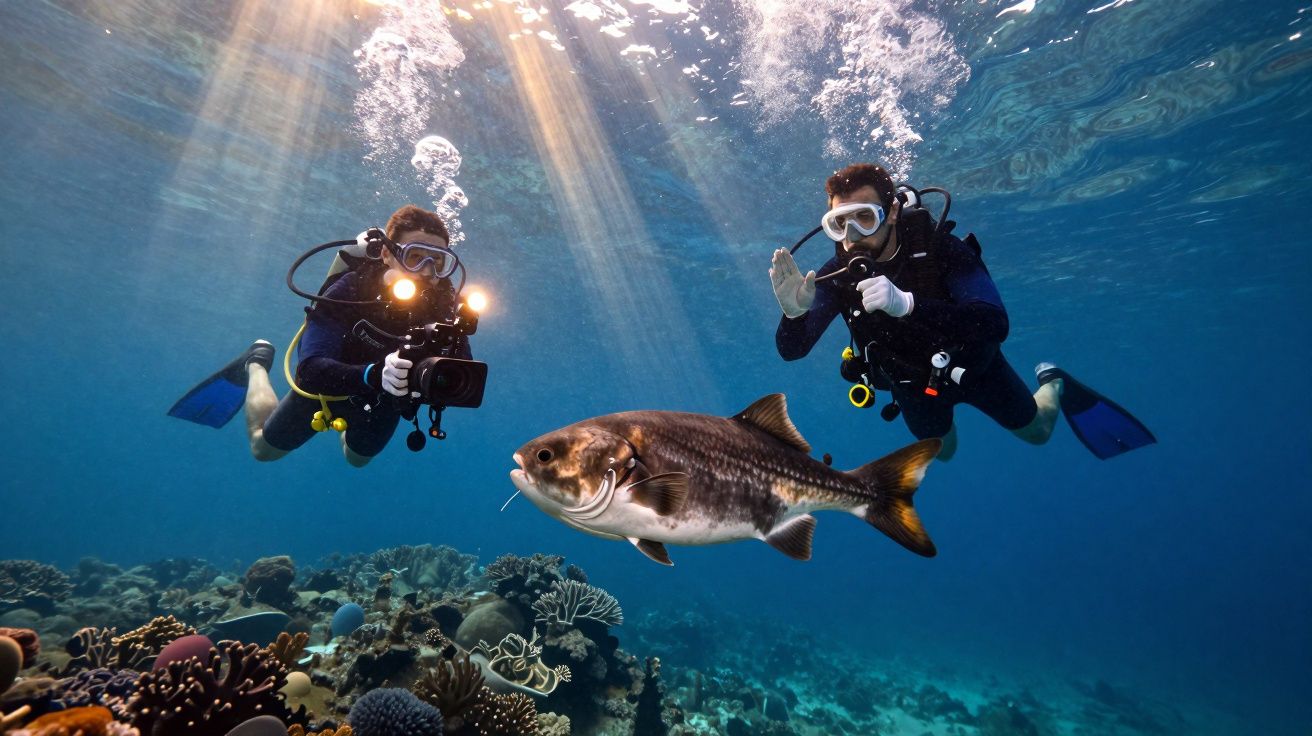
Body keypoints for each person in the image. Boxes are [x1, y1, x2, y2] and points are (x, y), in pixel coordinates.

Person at [769, 163, 1154, 460]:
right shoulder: (836, 276)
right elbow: (793, 350)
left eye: (864, 218)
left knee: (1037, 433)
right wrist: (794, 315)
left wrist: (906, 304)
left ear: (892, 213)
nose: (851, 236)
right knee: (944, 452)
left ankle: (1054, 382)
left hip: (976, 368)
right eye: (839, 223)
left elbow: (994, 323)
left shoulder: (943, 250)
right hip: (911, 385)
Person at [169, 205, 475, 466]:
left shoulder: (445, 307)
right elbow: (310, 369)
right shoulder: (352, 289)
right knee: (263, 449)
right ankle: (257, 362)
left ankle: (350, 421)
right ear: (386, 254)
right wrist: (375, 374)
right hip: (323, 390)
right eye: (414, 256)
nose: (425, 271)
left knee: (357, 460)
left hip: (382, 399)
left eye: (436, 261)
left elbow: (460, 372)